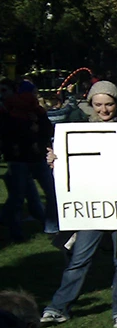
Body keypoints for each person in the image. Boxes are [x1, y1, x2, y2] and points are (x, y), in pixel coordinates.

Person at [40, 82, 117, 328]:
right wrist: (56, 163)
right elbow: (72, 170)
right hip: (92, 206)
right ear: (91, 105)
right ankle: (58, 307)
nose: (104, 110)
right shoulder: (77, 133)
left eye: (109, 104)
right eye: (98, 104)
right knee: (79, 258)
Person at [0, 80, 58, 240]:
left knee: (24, 195)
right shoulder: (10, 111)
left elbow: (47, 129)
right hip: (23, 157)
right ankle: (19, 229)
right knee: (23, 195)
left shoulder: (35, 111)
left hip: (31, 157)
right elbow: (8, 134)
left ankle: (44, 227)